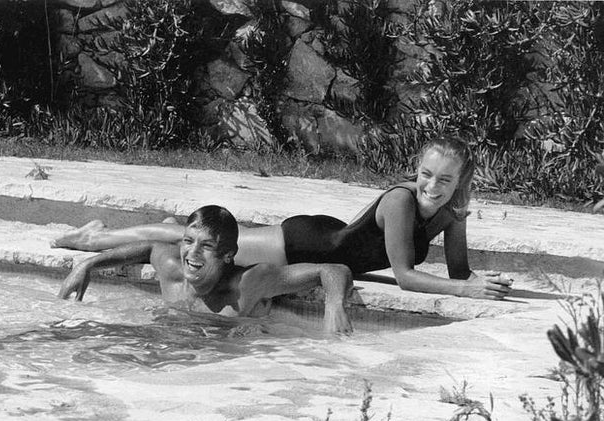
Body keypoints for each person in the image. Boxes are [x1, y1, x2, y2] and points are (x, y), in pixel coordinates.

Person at [53, 136, 511, 300]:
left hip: (327, 236)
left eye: (446, 181)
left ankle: (96, 236)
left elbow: (459, 272)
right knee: (181, 237)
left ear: (460, 183)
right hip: (304, 242)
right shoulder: (400, 201)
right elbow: (407, 278)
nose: (432, 186)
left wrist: (470, 278)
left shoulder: (452, 212)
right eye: (426, 174)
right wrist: (464, 289)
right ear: (416, 171)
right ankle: (90, 239)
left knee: (184, 237)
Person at [58, 205, 353, 334]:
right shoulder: (173, 271)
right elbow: (149, 247)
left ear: (228, 256)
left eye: (206, 246)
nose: (192, 254)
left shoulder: (249, 283)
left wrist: (334, 303)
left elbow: (333, 269)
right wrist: (89, 264)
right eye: (187, 242)